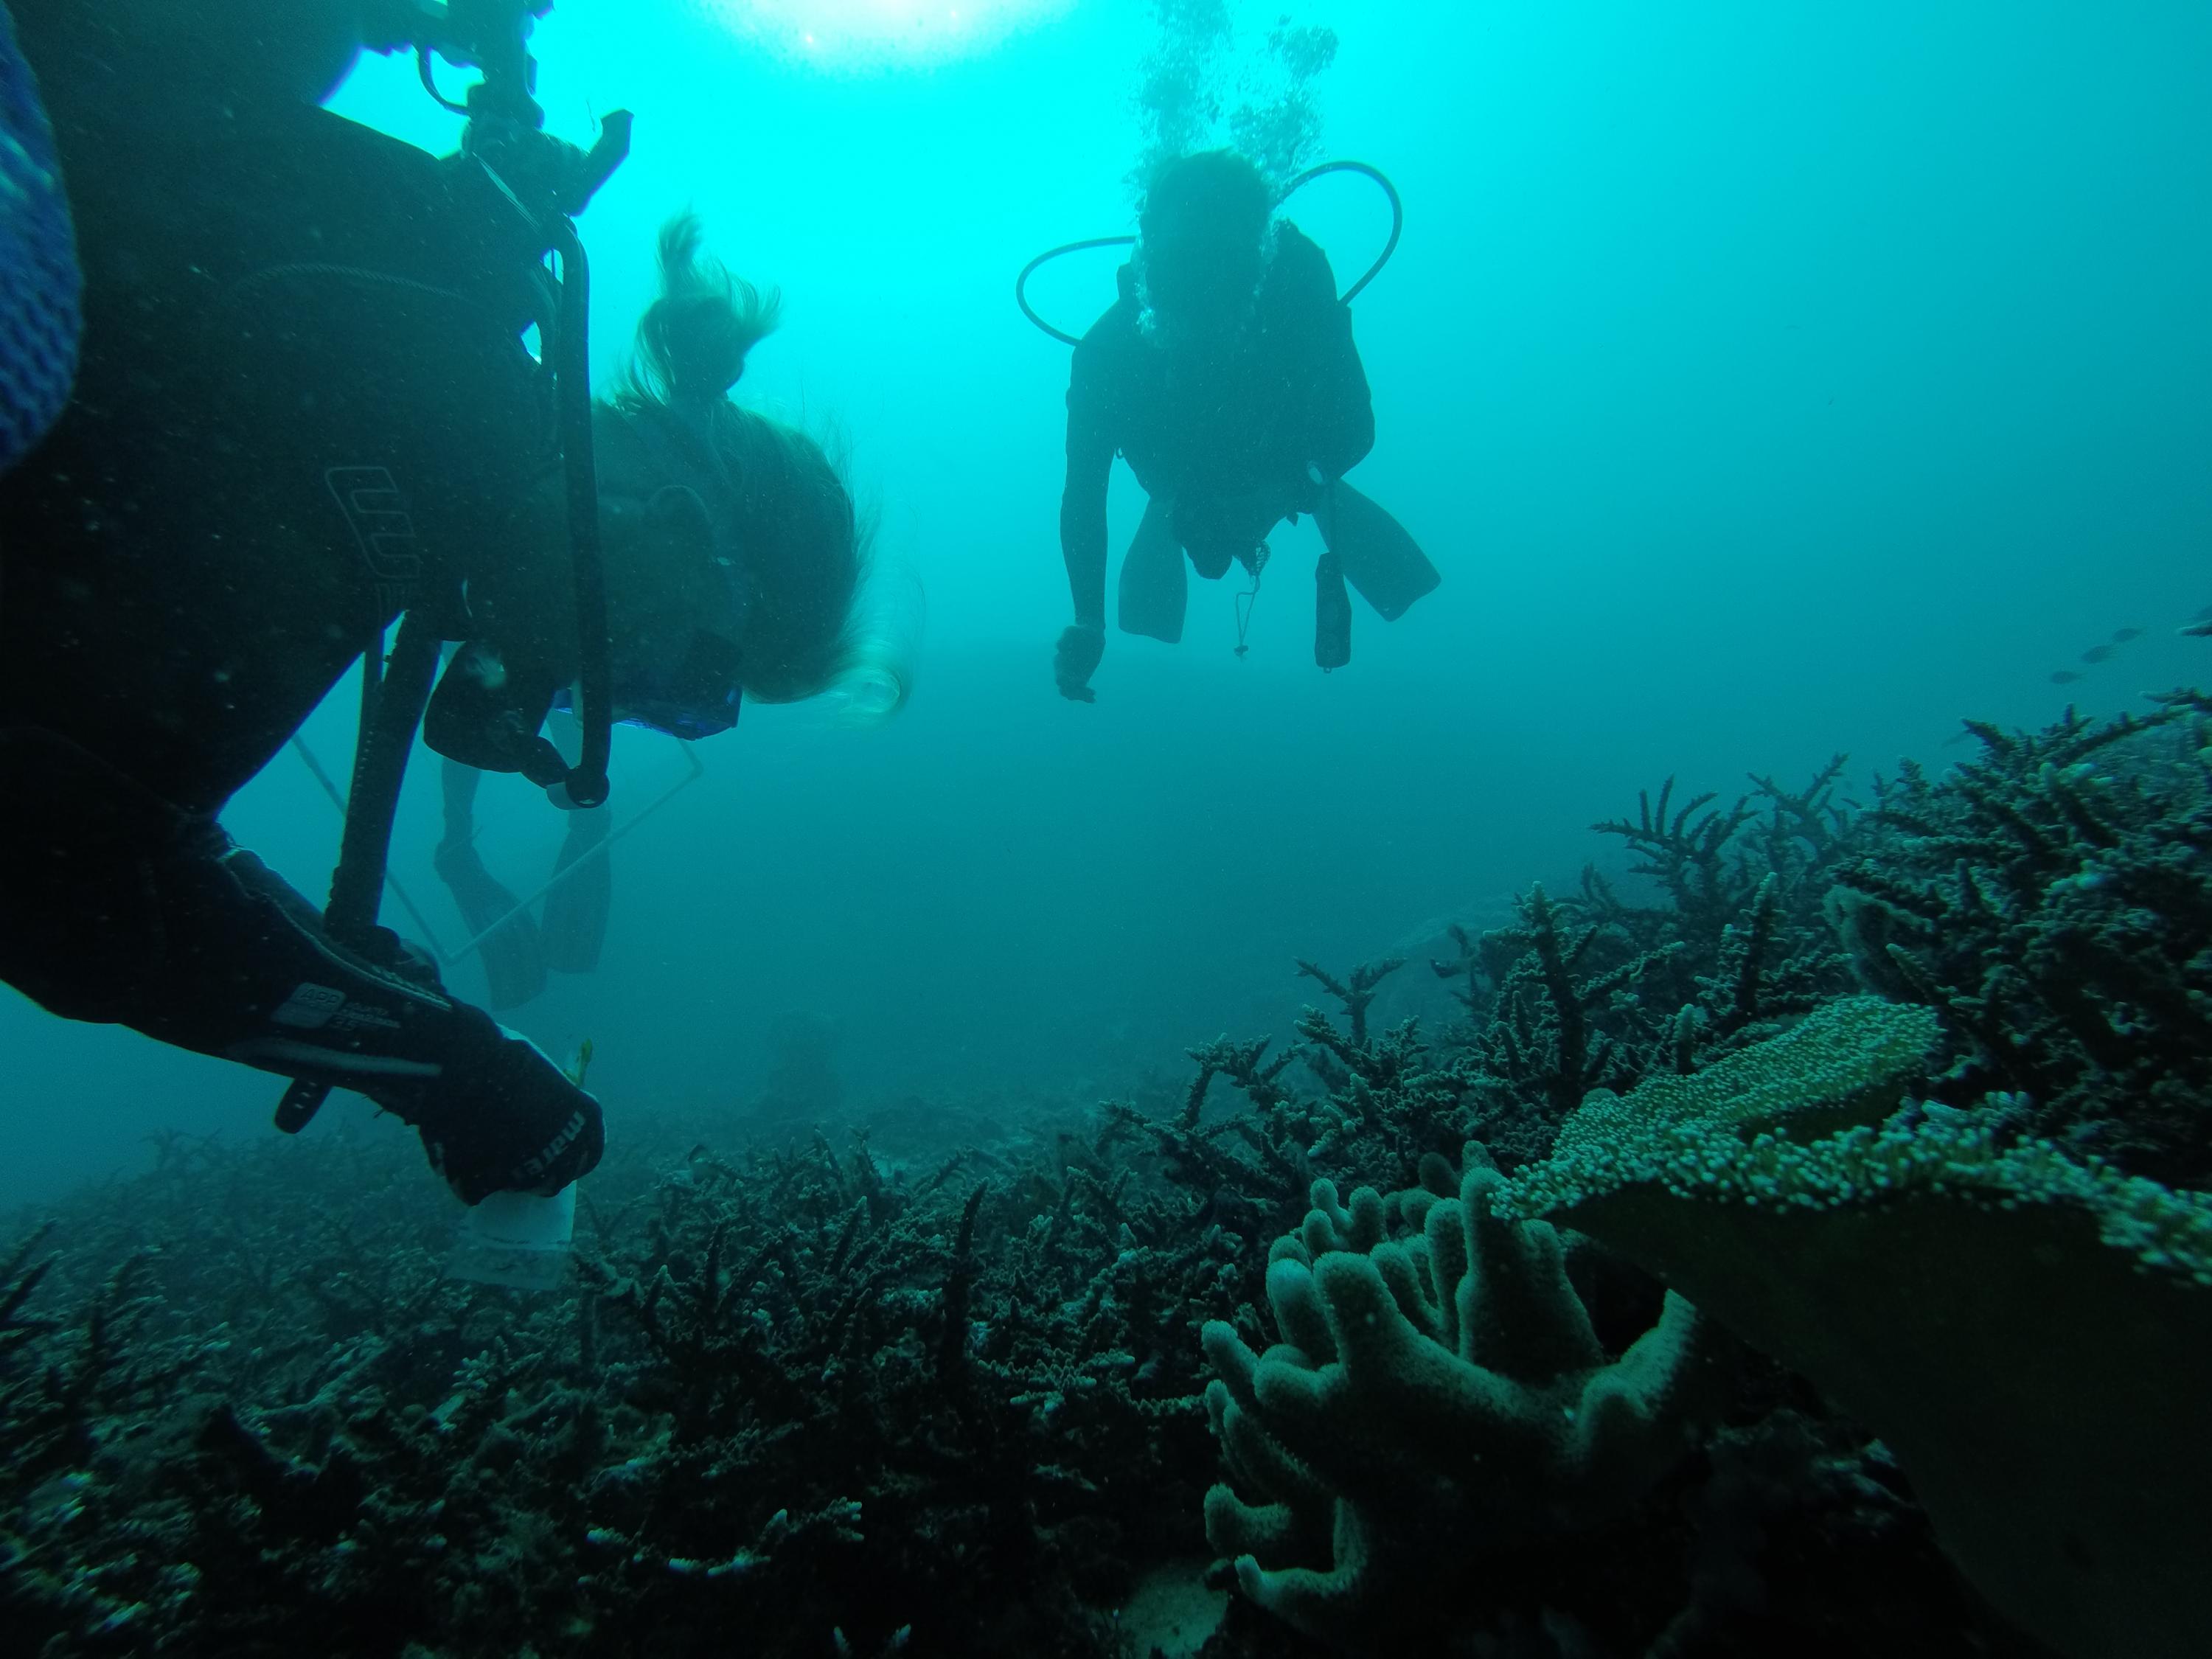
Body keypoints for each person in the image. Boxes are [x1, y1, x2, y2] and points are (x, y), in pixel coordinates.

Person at [0, 0, 902, 1203]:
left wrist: (365, 997)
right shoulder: (423, 437)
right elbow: (56, 871)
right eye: (683, 689)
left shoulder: (427, 401)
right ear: (694, 540)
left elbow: (90, 808)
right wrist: (443, 1067)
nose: (609, 705)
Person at [1054, 147, 1437, 700]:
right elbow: (1083, 495)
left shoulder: (1296, 296)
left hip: (1285, 463)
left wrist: (1291, 488)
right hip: (1178, 477)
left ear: (1259, 257)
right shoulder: (1107, 355)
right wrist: (1087, 618)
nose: (1204, 294)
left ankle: (1287, 497)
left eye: (1225, 268)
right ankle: (1188, 506)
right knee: (1192, 515)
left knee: (1302, 491)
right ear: (1150, 251)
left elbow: (1355, 427)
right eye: (1185, 266)